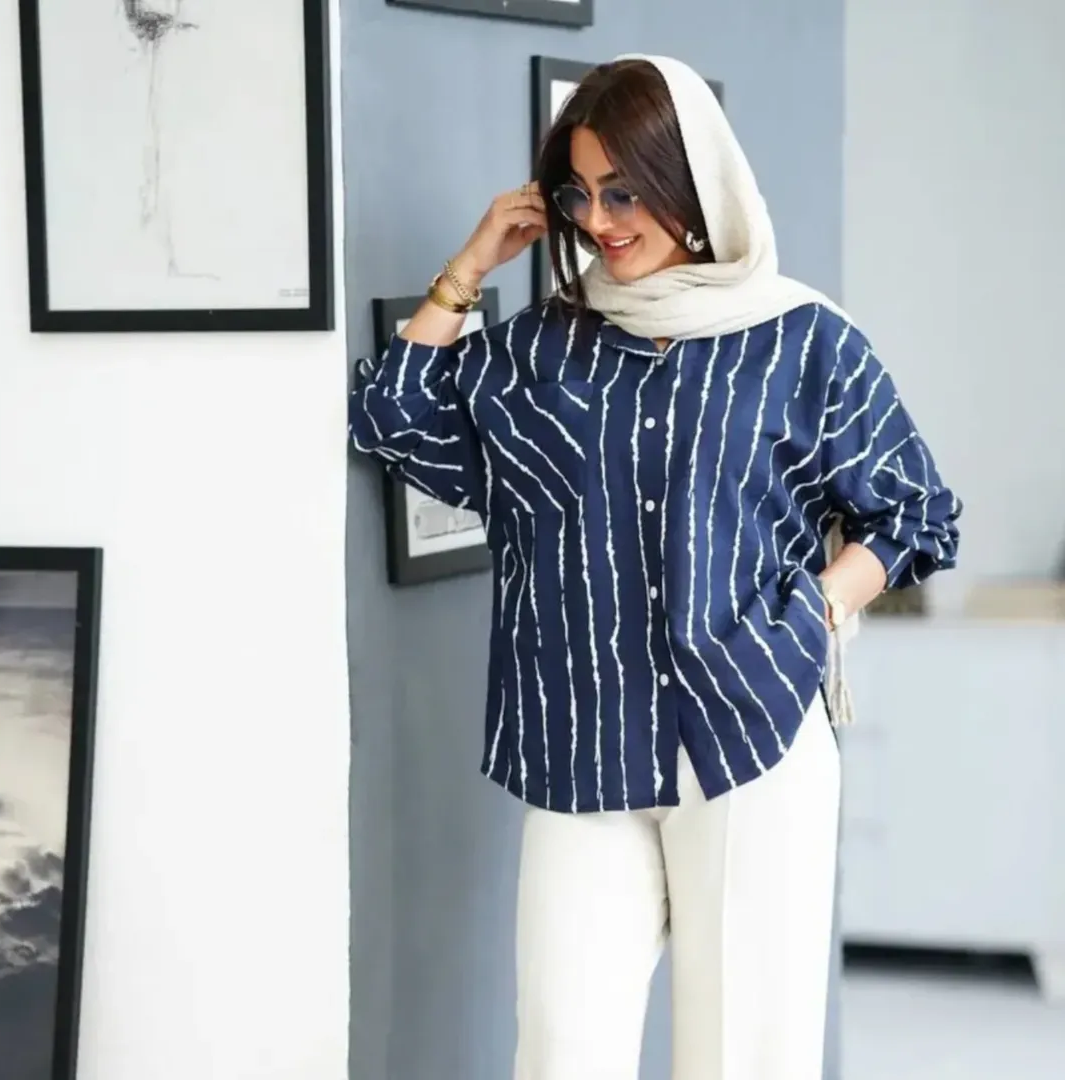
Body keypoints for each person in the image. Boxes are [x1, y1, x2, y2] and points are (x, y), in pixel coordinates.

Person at [349, 54, 961, 1080]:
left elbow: (916, 509)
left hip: (753, 740)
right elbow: (394, 418)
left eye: (624, 192)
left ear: (691, 183)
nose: (599, 221)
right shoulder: (542, 350)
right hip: (581, 747)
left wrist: (814, 612)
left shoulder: (800, 341)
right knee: (562, 1050)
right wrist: (468, 268)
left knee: (744, 1060)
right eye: (578, 195)